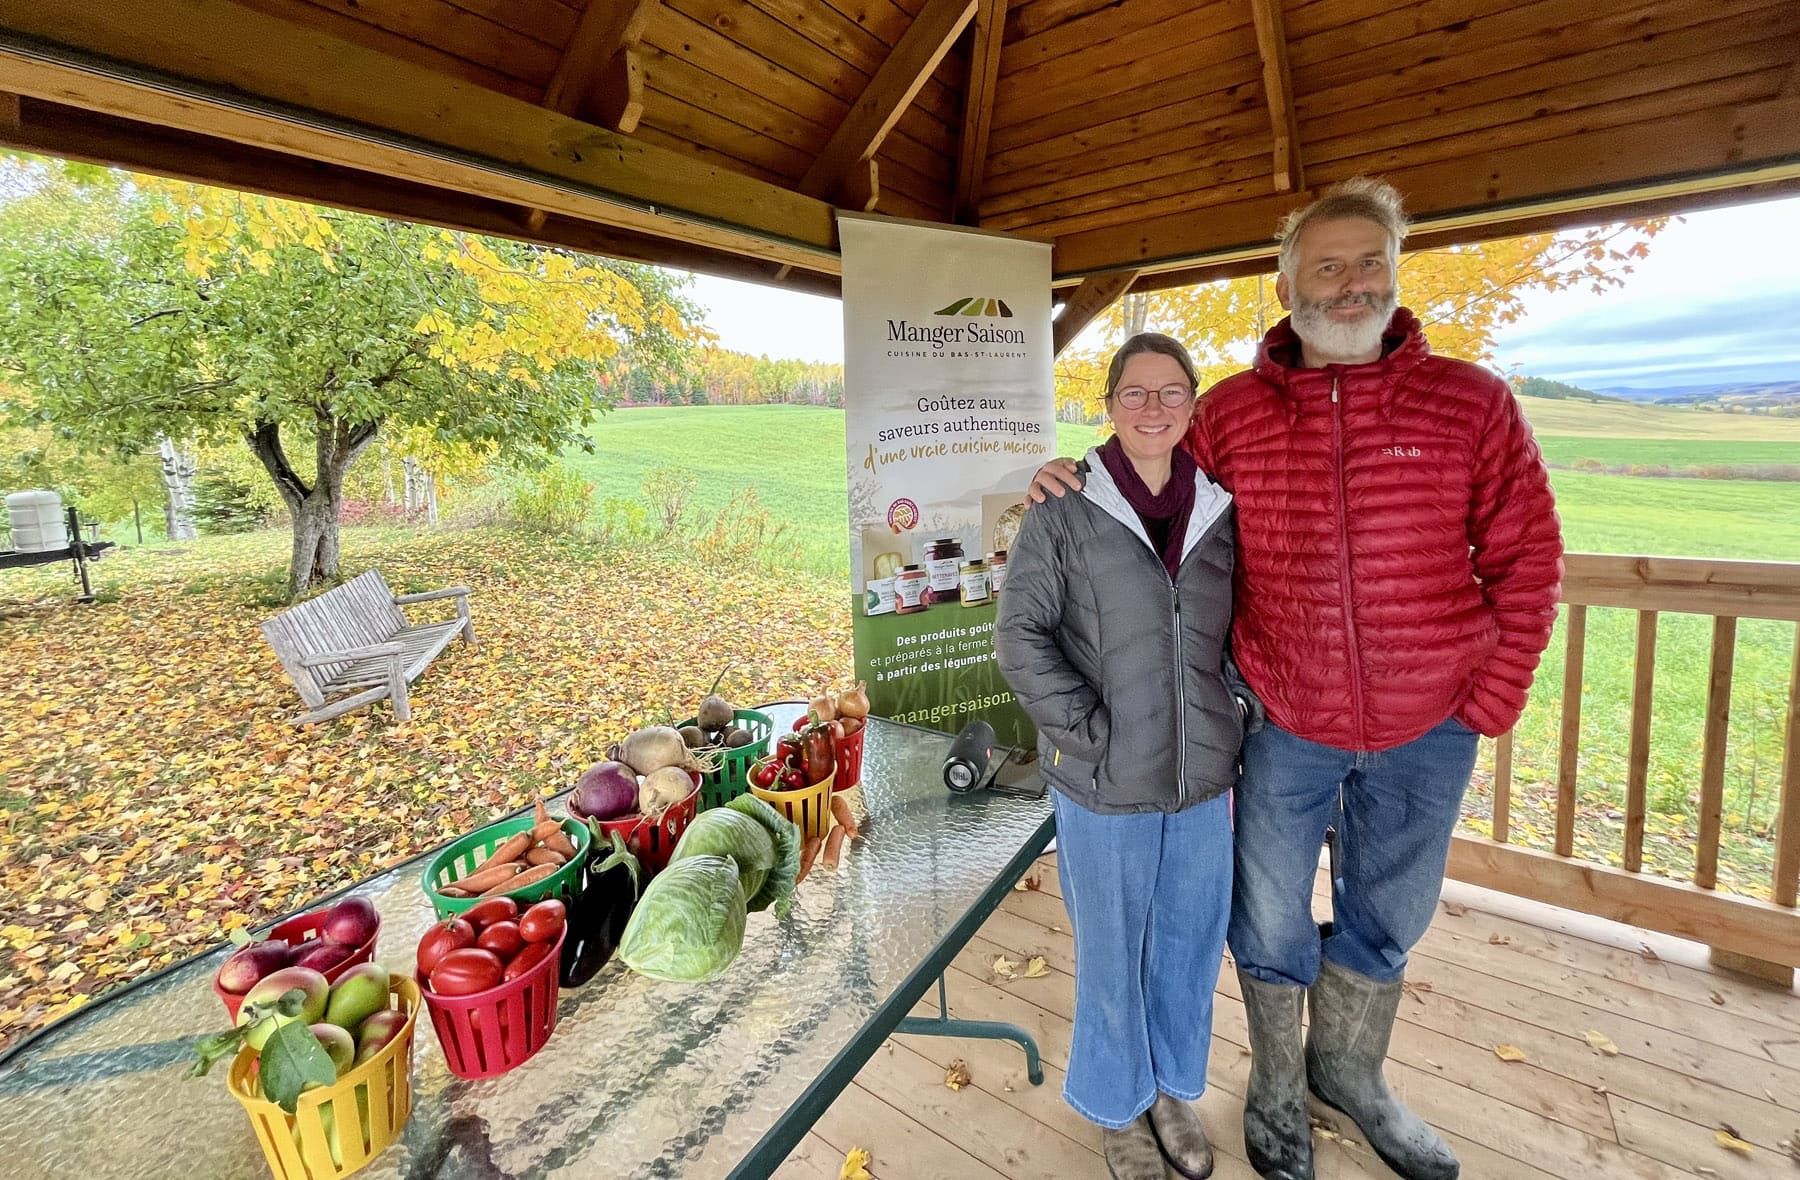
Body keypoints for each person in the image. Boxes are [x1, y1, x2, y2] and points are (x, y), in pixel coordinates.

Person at [1030, 177, 1564, 1180]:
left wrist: (1489, 699)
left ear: (1396, 275)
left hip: (1429, 724)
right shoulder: (1228, 414)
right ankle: (1274, 1085)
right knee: (1269, 916)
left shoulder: (1473, 403)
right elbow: (1145, 474)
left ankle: (1347, 1078)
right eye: (1329, 264)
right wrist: (1068, 478)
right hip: (1281, 719)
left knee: (1389, 915)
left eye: (1371, 262)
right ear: (1287, 284)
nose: (1352, 283)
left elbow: (1529, 558)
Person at [997, 332, 1241, 1180]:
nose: (1153, 408)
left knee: (1186, 944)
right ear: (1108, 404)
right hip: (1103, 781)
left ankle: (1170, 1087)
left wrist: (1233, 712)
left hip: (1204, 780)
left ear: (1192, 405)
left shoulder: (1218, 506)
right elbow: (1020, 638)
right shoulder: (1062, 510)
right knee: (1113, 951)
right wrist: (1087, 734)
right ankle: (1116, 1106)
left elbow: (1236, 633)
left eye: (1171, 392)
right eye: (1135, 393)